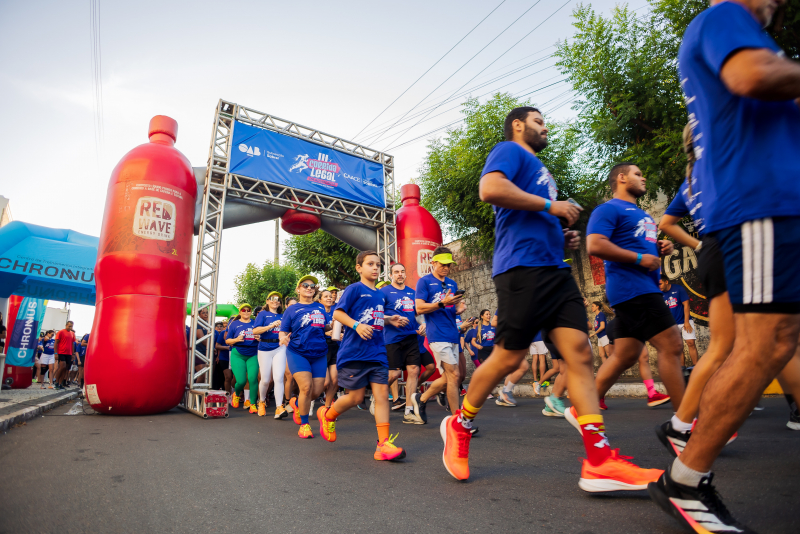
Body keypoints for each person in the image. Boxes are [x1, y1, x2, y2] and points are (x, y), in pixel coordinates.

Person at [447, 106, 663, 489]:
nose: (545, 129)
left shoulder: (539, 171)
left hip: (555, 269)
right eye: (539, 122)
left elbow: (527, 214)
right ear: (518, 125)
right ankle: (460, 426)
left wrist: (559, 235)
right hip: (521, 269)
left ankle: (599, 460)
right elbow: (490, 189)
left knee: (579, 352)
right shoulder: (510, 151)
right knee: (508, 357)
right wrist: (552, 206)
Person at [648, 2, 800, 531]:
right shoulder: (724, 17)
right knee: (761, 344)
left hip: (773, 205)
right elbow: (753, 75)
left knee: (766, 341)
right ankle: (685, 470)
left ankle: (682, 437)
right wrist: (691, 239)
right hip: (760, 205)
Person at [585, 162, 685, 418]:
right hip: (633, 289)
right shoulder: (607, 209)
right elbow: (595, 245)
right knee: (672, 345)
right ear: (621, 178)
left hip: (643, 288)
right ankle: (687, 421)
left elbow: (638, 245)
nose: (643, 178)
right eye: (638, 174)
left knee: (625, 355)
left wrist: (661, 248)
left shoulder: (640, 214)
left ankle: (582, 408)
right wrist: (640, 259)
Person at [317, 250, 408, 460]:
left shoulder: (379, 294)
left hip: (377, 352)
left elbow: (373, 316)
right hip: (354, 353)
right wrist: (356, 326)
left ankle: (383, 445)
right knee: (355, 397)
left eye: (378, 265)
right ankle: (327, 414)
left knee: (382, 395)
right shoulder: (353, 289)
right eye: (370, 264)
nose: (375, 268)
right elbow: (339, 313)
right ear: (359, 268)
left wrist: (388, 319)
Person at [409, 246, 467, 425]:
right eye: (442, 264)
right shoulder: (424, 282)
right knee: (454, 375)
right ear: (433, 263)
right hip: (437, 335)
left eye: (449, 265)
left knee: (452, 377)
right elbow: (419, 308)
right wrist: (443, 303)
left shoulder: (452, 283)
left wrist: (458, 309)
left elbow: (450, 309)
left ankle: (421, 398)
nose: (446, 268)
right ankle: (458, 420)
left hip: (452, 333)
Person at [280, 276, 329, 438]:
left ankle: (295, 403)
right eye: (305, 285)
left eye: (312, 286)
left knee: (316, 392)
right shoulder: (291, 310)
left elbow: (323, 327)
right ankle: (305, 424)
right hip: (298, 351)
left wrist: (335, 328)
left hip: (320, 352)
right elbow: (283, 330)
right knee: (306, 388)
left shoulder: (321, 308)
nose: (309, 288)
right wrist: (282, 337)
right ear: (298, 289)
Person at [381, 263, 424, 424]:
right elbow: (377, 316)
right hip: (392, 339)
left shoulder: (412, 293)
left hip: (411, 336)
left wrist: (423, 324)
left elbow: (418, 314)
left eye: (402, 272)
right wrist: (391, 320)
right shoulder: (384, 292)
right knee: (394, 374)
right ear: (391, 275)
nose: (400, 274)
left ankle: (409, 411)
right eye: (396, 272)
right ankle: (376, 396)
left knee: (413, 371)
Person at [254, 292, 287, 418]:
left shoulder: (283, 316)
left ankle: (279, 407)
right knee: (266, 379)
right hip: (264, 348)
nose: (275, 301)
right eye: (272, 299)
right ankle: (261, 401)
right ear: (267, 301)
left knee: (278, 378)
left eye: (278, 299)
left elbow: (288, 330)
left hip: (280, 347)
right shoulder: (263, 314)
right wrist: (271, 326)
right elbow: (255, 330)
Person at [225, 304, 260, 412]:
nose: (246, 312)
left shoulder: (255, 323)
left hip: (253, 353)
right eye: (243, 310)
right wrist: (236, 340)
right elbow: (227, 340)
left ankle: (253, 403)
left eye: (248, 310)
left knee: (253, 378)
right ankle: (236, 393)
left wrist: (259, 338)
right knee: (241, 381)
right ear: (240, 312)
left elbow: (262, 337)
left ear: (250, 312)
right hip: (238, 354)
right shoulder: (234, 324)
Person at [659, 276, 700, 366]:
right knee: (678, 347)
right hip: (672, 325)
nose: (659, 286)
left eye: (660, 283)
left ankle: (696, 366)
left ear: (666, 282)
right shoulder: (659, 294)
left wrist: (686, 322)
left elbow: (686, 305)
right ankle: (682, 368)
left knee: (691, 343)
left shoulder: (678, 289)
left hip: (685, 321)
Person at [321, 289, 341, 415]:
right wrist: (325, 333)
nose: (329, 298)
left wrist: (342, 333)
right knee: (325, 382)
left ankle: (327, 408)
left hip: (335, 346)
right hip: (322, 347)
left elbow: (343, 325)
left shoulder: (337, 311)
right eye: (326, 296)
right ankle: (307, 397)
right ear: (320, 300)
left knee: (335, 380)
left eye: (330, 296)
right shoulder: (318, 312)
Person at [53, 321, 77, 390]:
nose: (70, 327)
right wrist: (56, 353)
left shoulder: (72, 333)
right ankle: (56, 382)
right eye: (69, 326)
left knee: (66, 369)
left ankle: (61, 383)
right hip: (61, 352)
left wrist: (73, 354)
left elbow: (72, 344)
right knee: (62, 367)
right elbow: (56, 343)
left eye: (71, 326)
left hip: (69, 353)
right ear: (66, 325)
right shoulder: (61, 332)